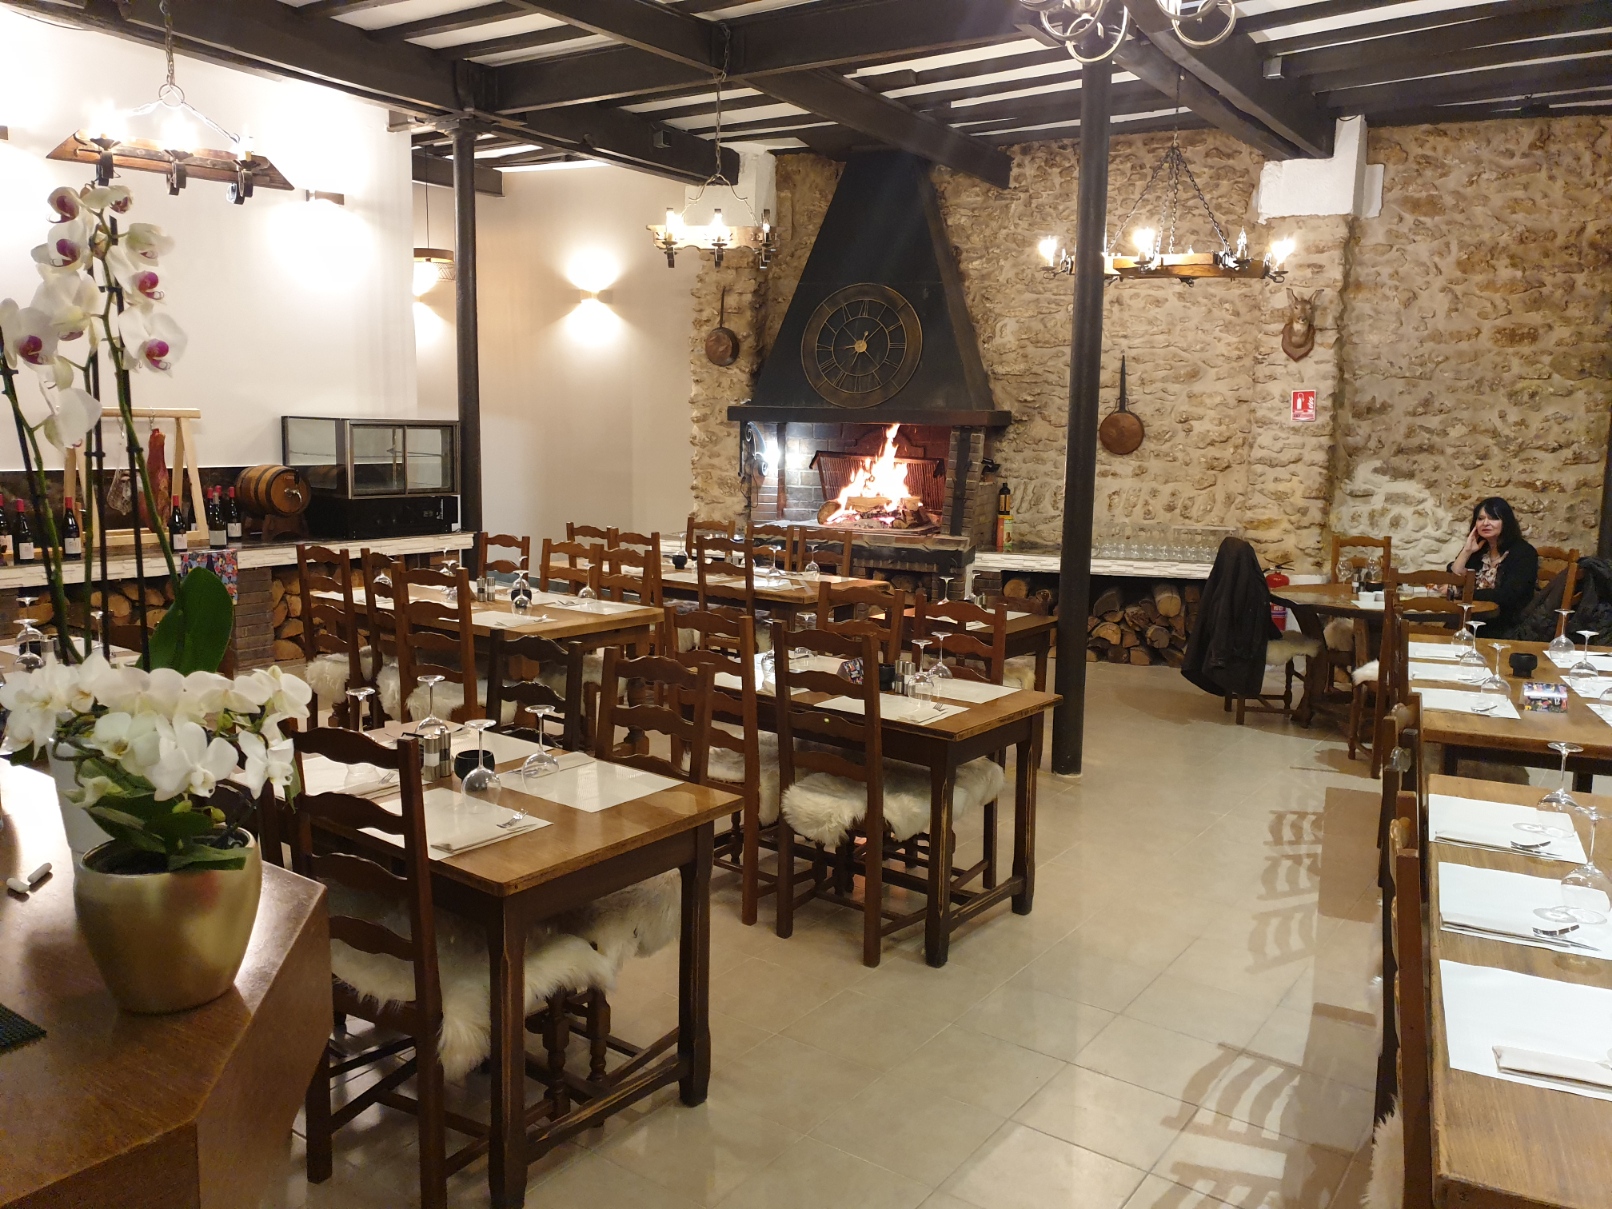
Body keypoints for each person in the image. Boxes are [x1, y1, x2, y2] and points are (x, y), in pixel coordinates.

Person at [1448, 497, 1538, 637]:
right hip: (1470, 619)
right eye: (1480, 519)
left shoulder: (1524, 552)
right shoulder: (1479, 550)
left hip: (1504, 624)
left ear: (1506, 522)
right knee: (1447, 631)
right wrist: (1466, 551)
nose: (1485, 523)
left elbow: (1508, 595)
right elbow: (1452, 577)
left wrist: (1463, 594)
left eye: (1493, 518)